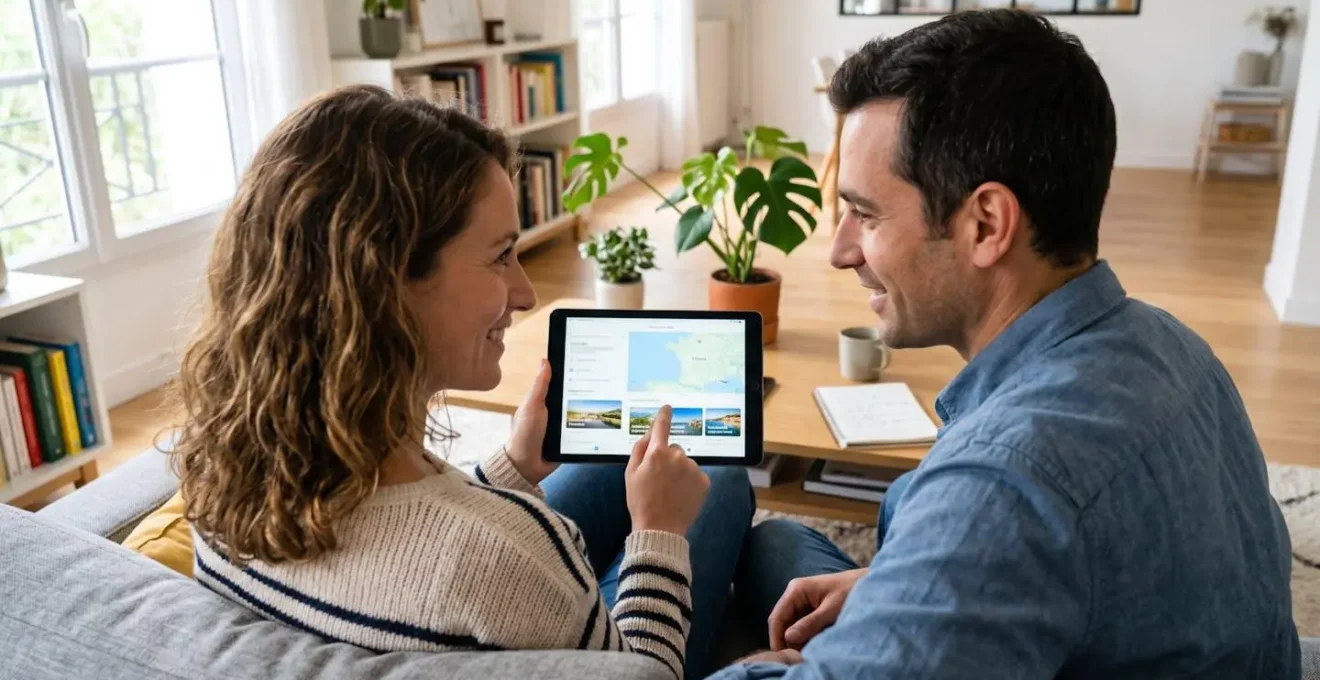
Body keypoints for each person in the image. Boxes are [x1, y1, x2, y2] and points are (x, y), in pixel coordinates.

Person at [713, 10, 1298, 680]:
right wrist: (895, 587)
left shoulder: (1003, 484)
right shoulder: (1173, 344)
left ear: (986, 224)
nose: (841, 251)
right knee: (779, 546)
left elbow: (1000, 516)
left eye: (865, 214)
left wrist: (759, 664)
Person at [171, 84, 752, 680]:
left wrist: (512, 470)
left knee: (640, 460)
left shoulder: (216, 480)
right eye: (501, 256)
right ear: (387, 282)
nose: (526, 293)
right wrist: (657, 535)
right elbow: (643, 674)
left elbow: (401, 544)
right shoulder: (505, 556)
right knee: (721, 478)